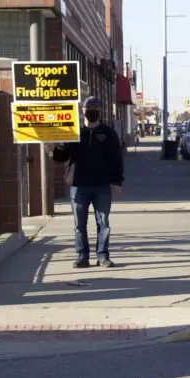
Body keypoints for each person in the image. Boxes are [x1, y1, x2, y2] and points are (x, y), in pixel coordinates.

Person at [51, 96, 124, 268]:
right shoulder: (72, 132)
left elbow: (116, 158)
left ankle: (103, 256)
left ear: (99, 112)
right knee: (79, 225)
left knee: (103, 223)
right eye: (88, 107)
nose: (92, 111)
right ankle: (82, 256)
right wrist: (60, 145)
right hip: (78, 185)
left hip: (102, 185)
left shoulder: (108, 133)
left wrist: (117, 180)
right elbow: (60, 158)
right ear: (83, 110)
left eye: (95, 108)